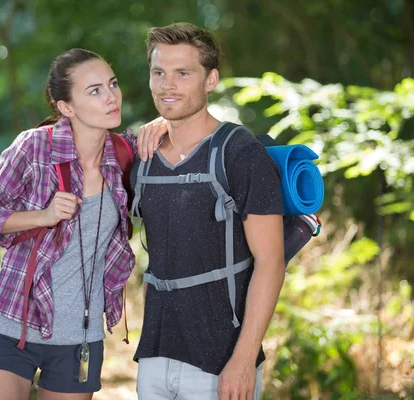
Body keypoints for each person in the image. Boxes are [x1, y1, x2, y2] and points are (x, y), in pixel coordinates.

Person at [0, 48, 163, 400]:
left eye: (112, 84)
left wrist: (166, 123)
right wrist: (42, 216)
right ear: (66, 107)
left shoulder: (125, 155)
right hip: (14, 324)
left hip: (79, 338)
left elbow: (181, 137)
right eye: (94, 91)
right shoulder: (34, 148)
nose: (111, 97)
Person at [133, 23, 286, 400]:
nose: (168, 85)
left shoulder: (240, 153)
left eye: (183, 73)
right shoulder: (142, 155)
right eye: (159, 73)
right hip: (153, 354)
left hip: (221, 360)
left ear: (211, 79)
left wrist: (244, 359)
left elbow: (271, 262)